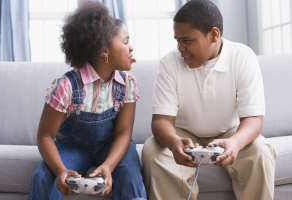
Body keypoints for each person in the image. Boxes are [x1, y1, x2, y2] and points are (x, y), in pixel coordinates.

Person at [141, 1, 277, 200]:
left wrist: (236, 143)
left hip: (230, 132)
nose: (180, 48)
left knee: (261, 151)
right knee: (153, 150)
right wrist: (173, 142)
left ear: (214, 35)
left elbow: (254, 118)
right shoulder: (170, 62)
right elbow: (161, 121)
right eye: (177, 40)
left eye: (187, 41)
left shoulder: (242, 57)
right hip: (184, 134)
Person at [28, 1, 147, 200]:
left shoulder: (127, 83)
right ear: (104, 51)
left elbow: (124, 131)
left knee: (130, 177)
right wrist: (60, 171)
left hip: (111, 144)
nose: (131, 47)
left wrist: (108, 166)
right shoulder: (66, 86)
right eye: (125, 42)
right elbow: (45, 136)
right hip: (72, 146)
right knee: (42, 178)